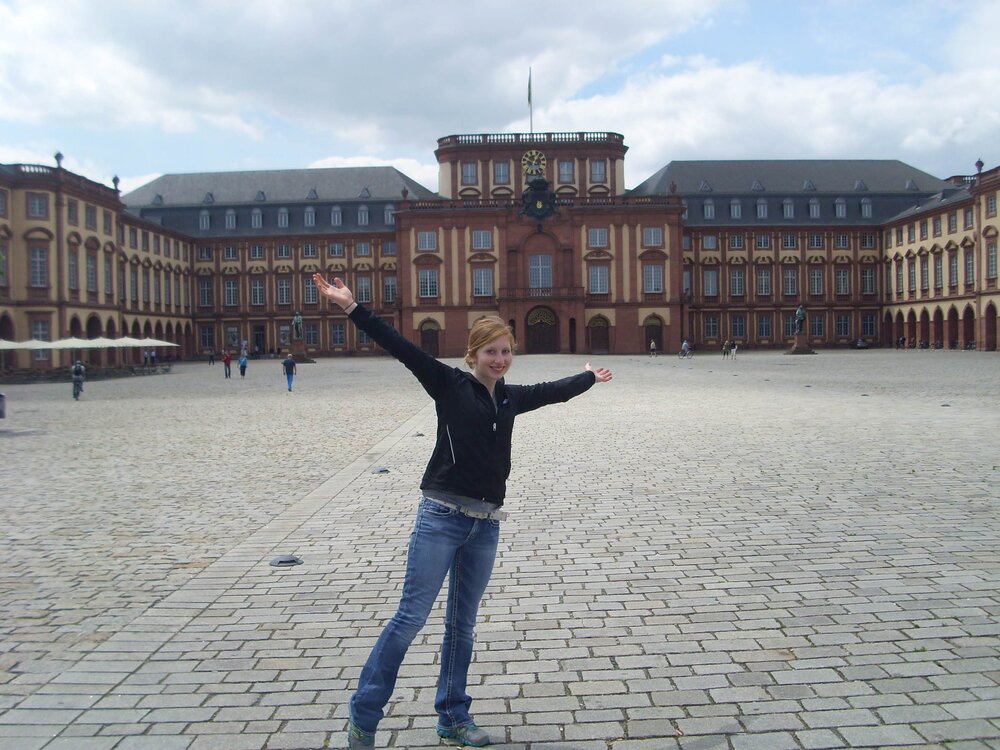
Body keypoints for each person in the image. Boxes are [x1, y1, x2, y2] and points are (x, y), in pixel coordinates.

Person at [313, 273, 612, 750]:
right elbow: (399, 345)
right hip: (441, 517)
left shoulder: (511, 397)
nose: (499, 359)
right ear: (472, 355)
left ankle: (453, 716)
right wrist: (352, 308)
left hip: (486, 525)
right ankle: (363, 719)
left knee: (461, 625)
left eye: (505, 352)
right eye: (490, 351)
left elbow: (552, 391)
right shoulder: (448, 384)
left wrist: (588, 379)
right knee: (410, 618)